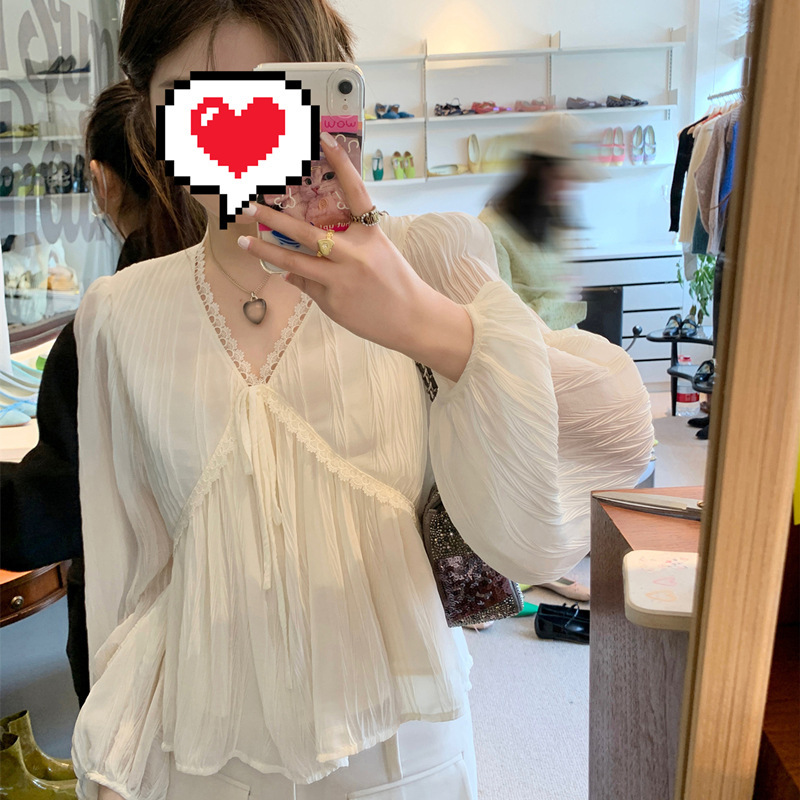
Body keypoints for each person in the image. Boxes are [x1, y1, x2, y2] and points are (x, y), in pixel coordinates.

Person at [72, 3, 654, 798]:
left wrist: (431, 327)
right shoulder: (119, 314)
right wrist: (112, 766)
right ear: (151, 111)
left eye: (264, 100)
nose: (236, 135)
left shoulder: (428, 256)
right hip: (203, 765)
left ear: (323, 98)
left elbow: (617, 438)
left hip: (405, 759)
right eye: (200, 103)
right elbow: (133, 584)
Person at [0, 79, 205, 707]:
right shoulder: (245, 290)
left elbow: (44, 518)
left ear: (101, 180)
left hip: (134, 637)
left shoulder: (107, 326)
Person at [478, 113, 601, 332]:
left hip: (563, 342)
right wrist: (562, 302)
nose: (571, 187)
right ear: (543, 171)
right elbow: (502, 321)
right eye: (566, 177)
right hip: (530, 349)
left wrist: (562, 292)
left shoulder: (550, 219)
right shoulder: (492, 230)